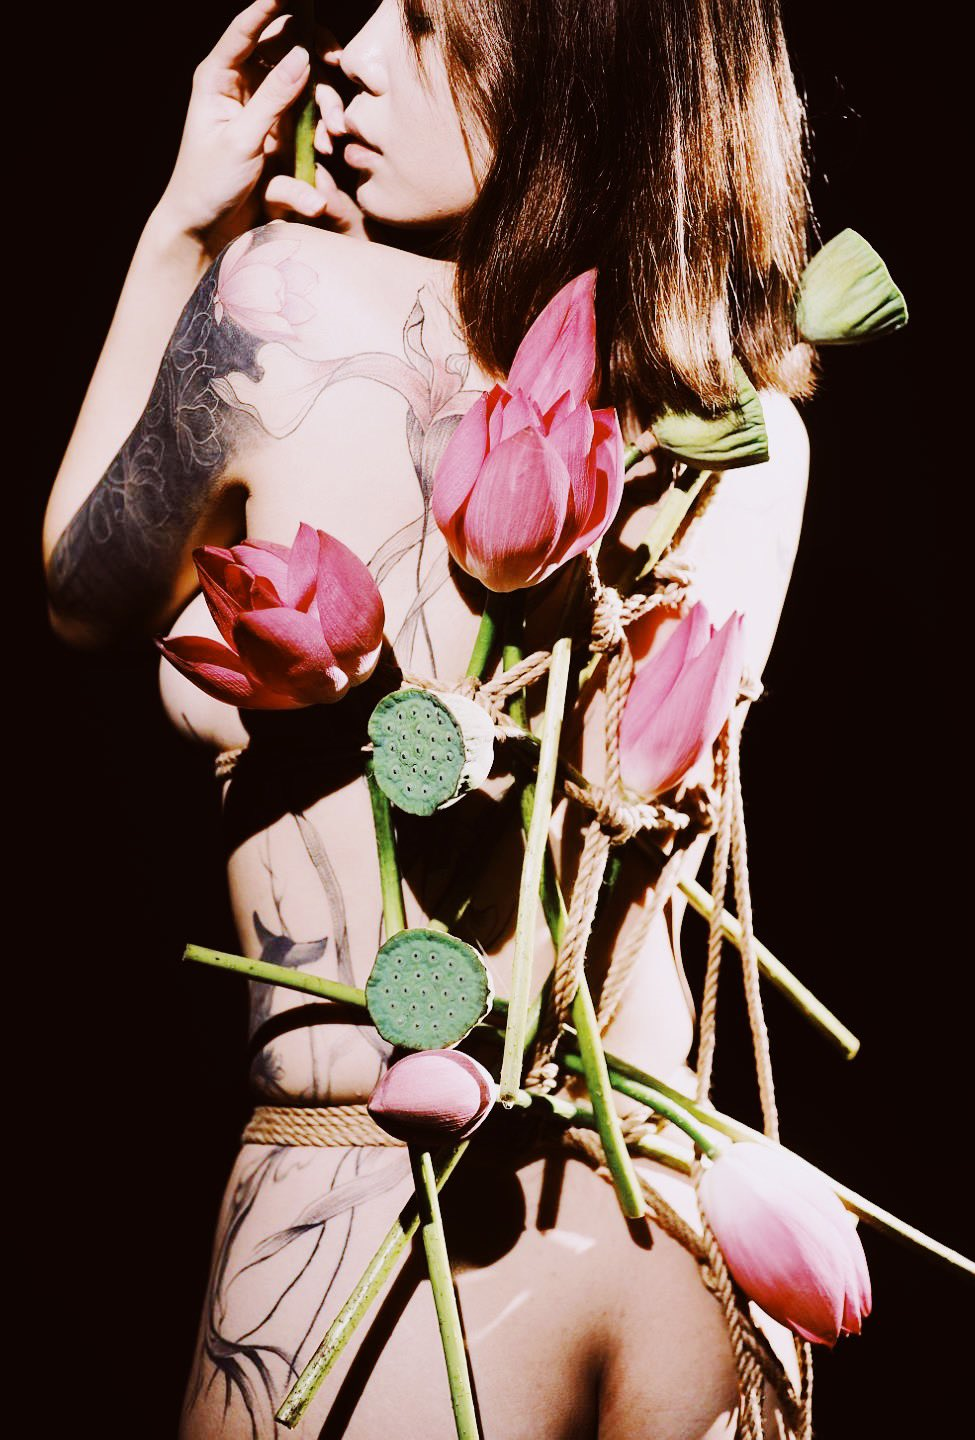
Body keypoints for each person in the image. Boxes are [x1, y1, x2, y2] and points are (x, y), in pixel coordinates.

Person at [42, 2, 814, 1434]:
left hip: (388, 1217)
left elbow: (83, 589)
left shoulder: (282, 301)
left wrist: (189, 234)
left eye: (427, 19)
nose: (353, 51)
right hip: (679, 1208)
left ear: (579, 67)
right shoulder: (758, 428)